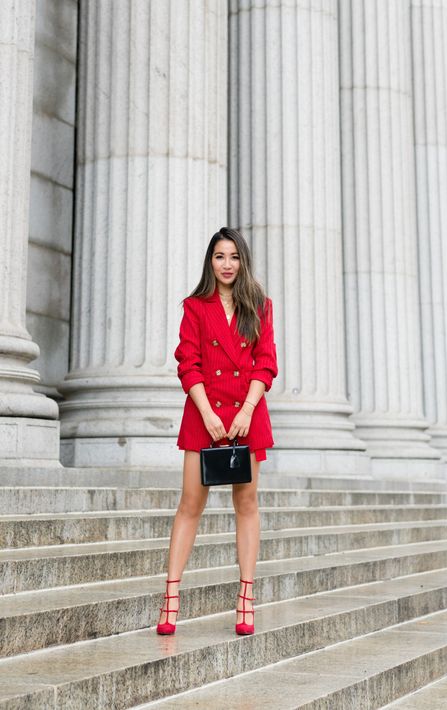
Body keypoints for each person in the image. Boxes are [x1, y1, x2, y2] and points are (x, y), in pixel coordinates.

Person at [156, 227, 278, 636]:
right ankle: (171, 597)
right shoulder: (194, 306)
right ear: (210, 262)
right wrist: (208, 413)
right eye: (219, 257)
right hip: (203, 414)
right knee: (190, 504)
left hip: (248, 415)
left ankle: (246, 599)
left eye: (234, 257)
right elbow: (187, 362)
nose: (227, 264)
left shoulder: (259, 306)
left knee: (247, 505)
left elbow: (266, 363)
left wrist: (245, 410)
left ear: (243, 262)